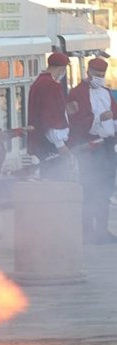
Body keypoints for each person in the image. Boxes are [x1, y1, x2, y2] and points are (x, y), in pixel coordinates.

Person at [67, 57, 117, 243]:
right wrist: (99, 119)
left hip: (107, 146)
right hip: (89, 147)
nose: (100, 78)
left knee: (105, 189)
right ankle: (87, 231)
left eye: (102, 75)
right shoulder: (77, 93)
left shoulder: (106, 92)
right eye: (97, 74)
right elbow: (75, 122)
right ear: (88, 72)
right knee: (89, 188)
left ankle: (102, 230)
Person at [27, 52, 73, 179]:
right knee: (59, 182)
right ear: (61, 69)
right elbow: (51, 119)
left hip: (41, 144)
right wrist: (61, 145)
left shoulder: (39, 82)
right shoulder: (51, 86)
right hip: (51, 147)